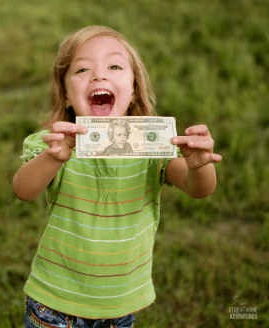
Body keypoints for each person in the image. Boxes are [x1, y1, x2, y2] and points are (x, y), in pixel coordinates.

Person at [13, 26, 221, 328]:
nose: (99, 76)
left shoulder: (153, 147)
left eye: (114, 66)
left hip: (120, 308)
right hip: (54, 304)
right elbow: (23, 190)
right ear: (67, 95)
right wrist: (52, 157)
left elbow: (198, 188)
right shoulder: (54, 143)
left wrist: (199, 166)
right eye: (83, 69)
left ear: (134, 88)